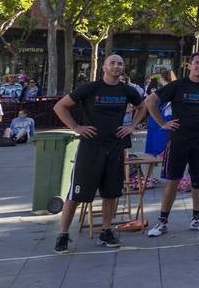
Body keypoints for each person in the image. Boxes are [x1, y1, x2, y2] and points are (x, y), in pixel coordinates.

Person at [51, 53, 146, 252]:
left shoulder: (127, 90)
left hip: (115, 147)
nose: (116, 66)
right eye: (112, 63)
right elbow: (60, 106)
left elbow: (142, 107)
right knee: (76, 194)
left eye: (120, 63)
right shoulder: (90, 88)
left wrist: (132, 126)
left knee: (111, 193)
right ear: (104, 66)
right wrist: (76, 127)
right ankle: (63, 234)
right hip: (91, 147)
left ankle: (106, 231)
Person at [143, 52, 199, 236]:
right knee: (173, 180)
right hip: (178, 140)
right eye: (196, 63)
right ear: (190, 65)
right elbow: (150, 101)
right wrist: (162, 123)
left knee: (198, 181)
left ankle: (197, 219)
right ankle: (162, 222)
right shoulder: (177, 85)